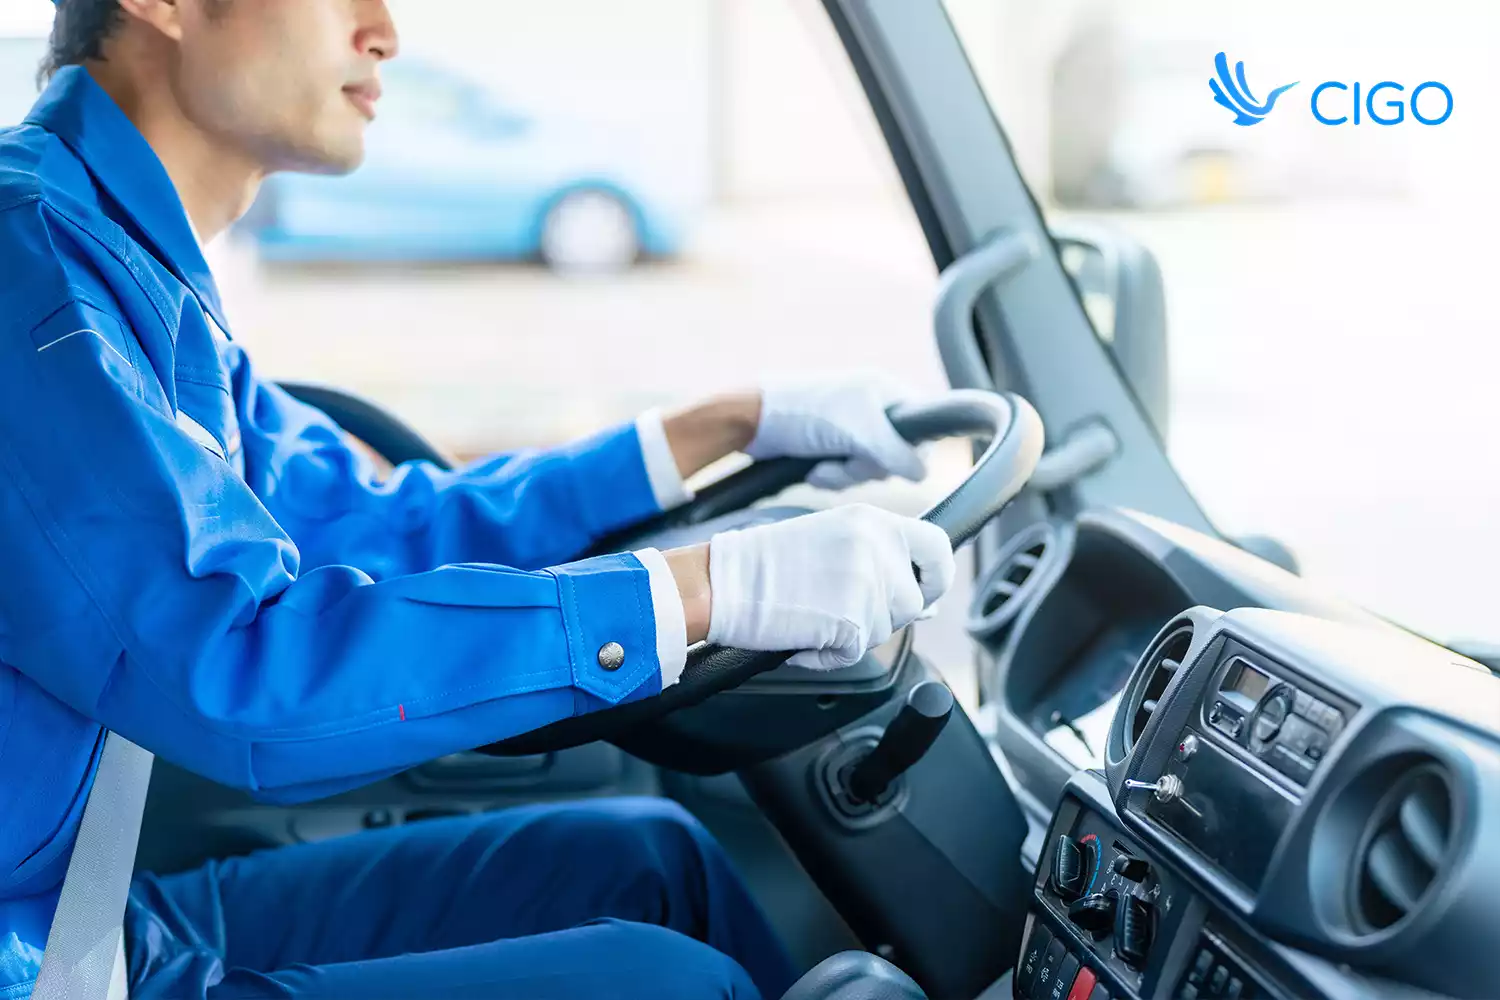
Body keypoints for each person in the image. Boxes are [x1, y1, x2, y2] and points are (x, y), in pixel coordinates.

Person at [0, 1, 959, 998]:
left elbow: (377, 525)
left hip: (87, 921)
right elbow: (240, 667)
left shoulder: (122, 265)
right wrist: (701, 591)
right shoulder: (29, 273)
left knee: (652, 861)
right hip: (44, 963)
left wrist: (727, 426)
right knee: (671, 984)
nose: (384, 32)